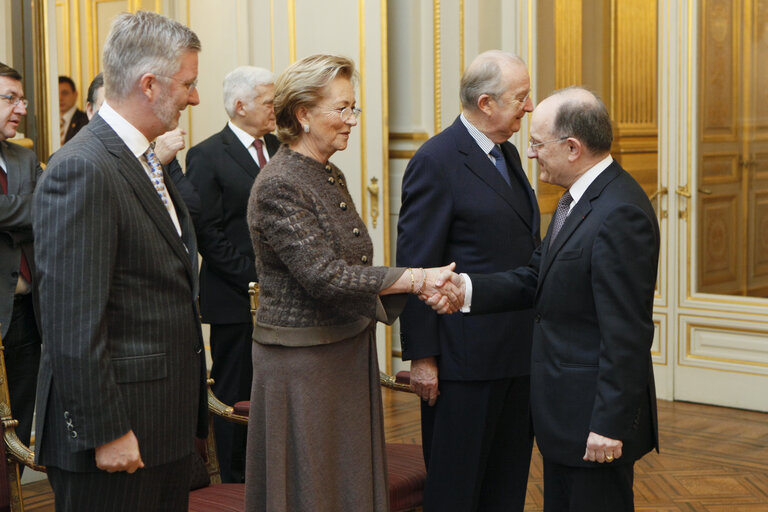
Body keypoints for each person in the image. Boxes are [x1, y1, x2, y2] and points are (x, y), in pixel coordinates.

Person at [429, 87, 660, 512]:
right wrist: (467, 290)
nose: (530, 155)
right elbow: (536, 275)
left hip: (594, 424)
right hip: (565, 417)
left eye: (537, 144)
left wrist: (608, 425)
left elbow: (626, 333)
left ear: (573, 148)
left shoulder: (619, 212)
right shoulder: (579, 200)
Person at [245, 54, 453, 511]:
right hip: (303, 364)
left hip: (344, 349)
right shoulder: (279, 183)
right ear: (302, 114)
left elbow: (347, 267)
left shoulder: (328, 172)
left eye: (352, 108)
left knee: (348, 481)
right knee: (312, 487)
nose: (351, 120)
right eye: (341, 109)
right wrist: (415, 279)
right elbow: (325, 275)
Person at [33, 11, 207, 511]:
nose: (194, 98)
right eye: (188, 84)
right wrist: (106, 431)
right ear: (149, 84)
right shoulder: (84, 168)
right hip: (115, 433)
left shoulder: (141, 158)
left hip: (159, 423)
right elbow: (71, 321)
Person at [396, 50, 539, 511]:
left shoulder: (509, 155)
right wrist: (422, 357)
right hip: (463, 363)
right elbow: (418, 265)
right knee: (457, 490)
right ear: (486, 103)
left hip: (517, 353)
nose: (530, 106)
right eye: (521, 97)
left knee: (506, 484)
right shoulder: (435, 160)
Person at [185, 65, 279, 483]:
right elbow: (209, 233)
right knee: (234, 390)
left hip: (280, 297)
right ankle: (236, 479)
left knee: (273, 388)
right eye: (268, 101)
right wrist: (254, 279)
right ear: (240, 106)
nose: (276, 109)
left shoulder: (279, 147)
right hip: (234, 297)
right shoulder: (207, 154)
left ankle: (270, 469)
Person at [0, 62, 42, 476]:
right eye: (10, 98)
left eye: (21, 99)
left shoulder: (24, 158)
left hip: (29, 315)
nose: (21, 108)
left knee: (21, 419)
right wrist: (33, 207)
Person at [85, 72, 198, 217]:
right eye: (107, 107)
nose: (116, 114)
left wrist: (154, 163)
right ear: (90, 110)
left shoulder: (150, 149)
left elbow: (191, 207)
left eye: (120, 106)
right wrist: (154, 164)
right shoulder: (81, 160)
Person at [59, 75, 89, 144]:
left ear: (75, 95)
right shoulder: (47, 123)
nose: (60, 98)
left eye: (65, 93)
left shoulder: (86, 121)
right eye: (57, 94)